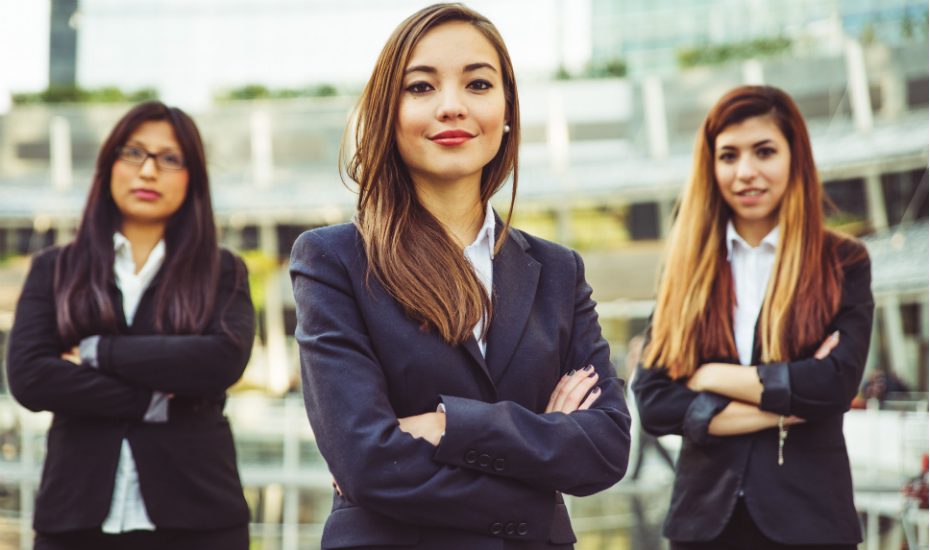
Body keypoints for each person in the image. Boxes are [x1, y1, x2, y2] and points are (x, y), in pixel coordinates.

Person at [289, 4, 630, 548]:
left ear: (507, 110)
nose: (452, 106)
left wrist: (449, 425)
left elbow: (605, 447)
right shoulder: (333, 260)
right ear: (388, 112)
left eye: (477, 83)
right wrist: (538, 473)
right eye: (421, 88)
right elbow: (366, 462)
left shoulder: (559, 271)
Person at [633, 85, 874, 549]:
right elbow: (654, 402)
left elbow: (835, 384)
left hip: (810, 523)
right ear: (711, 166)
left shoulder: (843, 261)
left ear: (794, 157)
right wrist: (790, 406)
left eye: (764, 151)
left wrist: (706, 375)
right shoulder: (685, 269)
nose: (746, 172)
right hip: (703, 524)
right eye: (729, 155)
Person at [7, 101, 255, 550]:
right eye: (133, 153)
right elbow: (31, 377)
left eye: (170, 158)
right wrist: (153, 399)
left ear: (192, 177)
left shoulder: (222, 271)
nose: (148, 171)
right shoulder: (54, 269)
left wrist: (97, 353)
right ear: (108, 167)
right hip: (75, 519)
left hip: (199, 520)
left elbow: (220, 360)